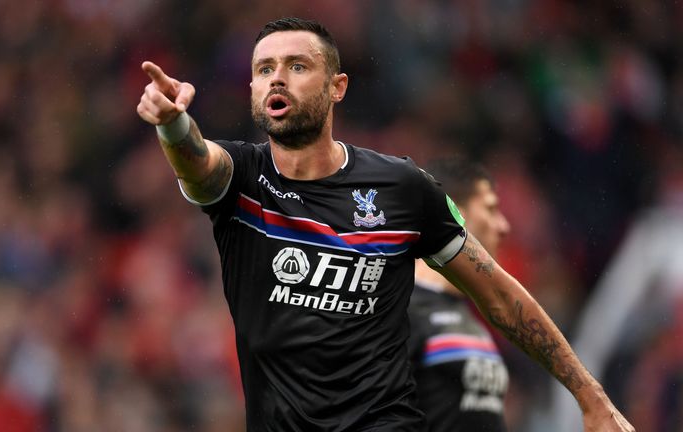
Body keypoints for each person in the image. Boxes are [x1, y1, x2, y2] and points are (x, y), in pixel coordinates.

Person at [136, 16, 634, 432]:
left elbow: (498, 294)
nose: (278, 78)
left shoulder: (402, 187)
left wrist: (590, 396)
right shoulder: (243, 179)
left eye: (297, 66)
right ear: (252, 89)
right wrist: (174, 124)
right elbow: (197, 164)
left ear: (338, 87)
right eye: (264, 68)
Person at [408, 158, 511, 431]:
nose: (503, 226)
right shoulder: (402, 309)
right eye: (491, 208)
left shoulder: (471, 317)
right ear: (456, 214)